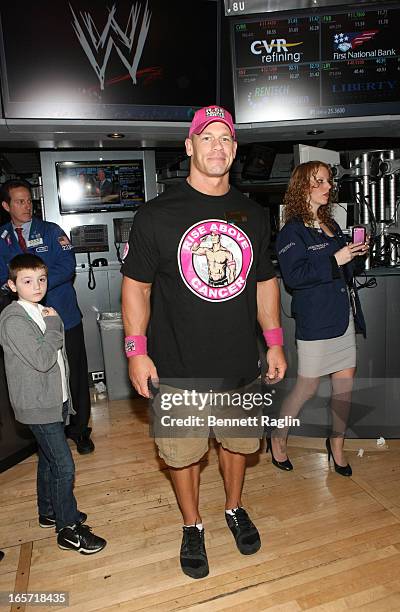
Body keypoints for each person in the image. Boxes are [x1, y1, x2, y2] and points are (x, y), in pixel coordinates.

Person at [121, 105, 287, 579]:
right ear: (190, 146)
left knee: (238, 445)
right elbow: (137, 286)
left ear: (235, 151)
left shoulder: (252, 214)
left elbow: (263, 282)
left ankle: (233, 508)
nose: (218, 146)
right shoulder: (156, 215)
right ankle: (192, 524)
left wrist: (274, 342)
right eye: (208, 137)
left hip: (238, 362)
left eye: (227, 139)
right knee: (183, 452)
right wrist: (136, 350)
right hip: (176, 364)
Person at [0, 254, 106, 553]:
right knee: (64, 465)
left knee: (48, 458)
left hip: (53, 399)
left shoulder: (39, 311)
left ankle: (49, 511)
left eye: (42, 279)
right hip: (37, 405)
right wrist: (56, 326)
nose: (37, 286)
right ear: (12, 285)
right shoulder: (13, 319)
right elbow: (44, 359)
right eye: (28, 281)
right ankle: (68, 529)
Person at [273, 161, 368, 476]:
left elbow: (343, 272)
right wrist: (335, 259)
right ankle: (278, 437)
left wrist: (354, 254)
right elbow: (294, 277)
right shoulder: (292, 231)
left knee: (345, 388)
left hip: (343, 319)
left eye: (329, 181)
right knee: (306, 388)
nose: (329, 187)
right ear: (305, 186)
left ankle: (337, 445)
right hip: (316, 323)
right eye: (321, 181)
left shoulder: (332, 226)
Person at [0, 180, 94, 454]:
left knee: (73, 373)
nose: (26, 206)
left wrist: (33, 285)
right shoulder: (2, 238)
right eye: (19, 201)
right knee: (41, 375)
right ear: (6, 206)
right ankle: (49, 432)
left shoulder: (51, 232)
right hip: (26, 323)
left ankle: (80, 430)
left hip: (63, 316)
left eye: (29, 200)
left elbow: (66, 266)